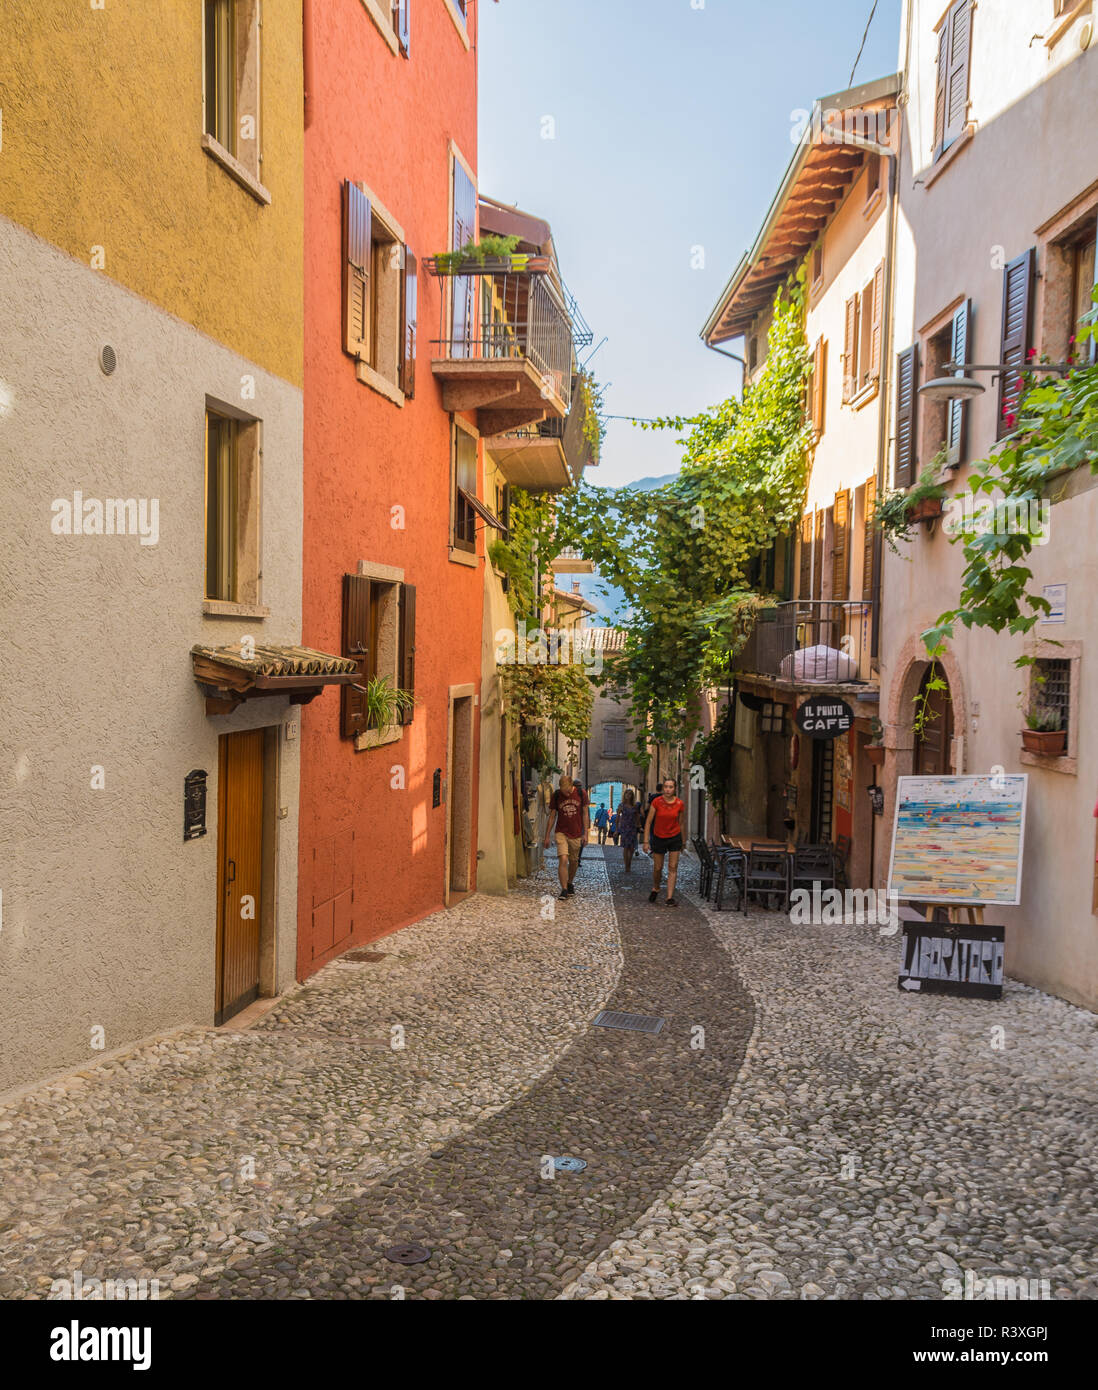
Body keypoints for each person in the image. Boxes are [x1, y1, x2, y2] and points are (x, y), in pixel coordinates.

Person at [544, 774, 589, 900]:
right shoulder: (557, 795)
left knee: (574, 862)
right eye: (564, 791)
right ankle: (564, 889)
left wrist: (585, 833)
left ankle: (569, 883)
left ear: (571, 785)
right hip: (561, 832)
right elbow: (552, 816)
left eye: (568, 791)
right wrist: (547, 835)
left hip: (576, 833)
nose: (566, 794)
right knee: (563, 859)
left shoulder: (582, 794)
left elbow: (585, 814)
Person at [643, 777, 686, 906]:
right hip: (659, 837)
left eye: (671, 787)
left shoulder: (679, 804)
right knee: (658, 868)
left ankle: (669, 897)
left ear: (675, 789)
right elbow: (649, 822)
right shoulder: (656, 802)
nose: (668, 789)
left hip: (674, 837)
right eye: (666, 787)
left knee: (673, 867)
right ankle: (656, 887)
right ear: (663, 789)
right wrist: (646, 841)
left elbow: (681, 823)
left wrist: (683, 841)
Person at [616, 789, 640, 873]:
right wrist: (616, 830)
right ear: (624, 795)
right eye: (626, 794)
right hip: (624, 828)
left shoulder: (635, 806)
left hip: (632, 828)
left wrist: (639, 825)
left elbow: (637, 816)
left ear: (632, 796)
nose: (628, 796)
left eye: (630, 794)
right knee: (626, 847)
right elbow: (618, 817)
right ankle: (627, 865)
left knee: (632, 848)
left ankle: (629, 863)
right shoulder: (621, 805)